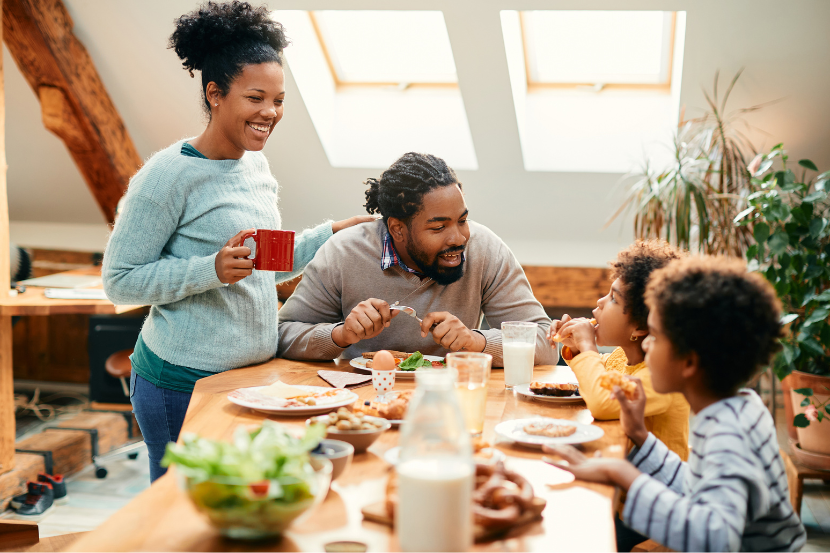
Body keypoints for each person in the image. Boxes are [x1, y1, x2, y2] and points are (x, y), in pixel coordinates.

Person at [102, 1, 372, 482]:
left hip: (250, 379)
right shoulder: (166, 176)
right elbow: (120, 282)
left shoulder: (255, 166)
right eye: (255, 97)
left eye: (279, 99)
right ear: (215, 94)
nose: (271, 112)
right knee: (180, 514)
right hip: (178, 382)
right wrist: (211, 269)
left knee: (239, 510)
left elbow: (262, 262)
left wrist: (330, 236)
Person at [545, 257, 807, 552]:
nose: (646, 344)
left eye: (655, 336)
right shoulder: (736, 409)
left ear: (689, 362)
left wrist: (624, 474)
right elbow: (695, 488)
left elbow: (713, 538)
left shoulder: (729, 433)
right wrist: (641, 436)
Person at [278, 152, 557, 367]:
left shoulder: (486, 250)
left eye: (462, 220)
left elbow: (547, 344)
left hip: (454, 398)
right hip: (364, 400)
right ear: (398, 229)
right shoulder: (342, 253)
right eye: (438, 227)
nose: (458, 238)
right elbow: (283, 335)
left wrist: (477, 341)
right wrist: (340, 335)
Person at [548, 240, 690, 461]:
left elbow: (602, 401)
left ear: (641, 327)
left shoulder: (663, 379)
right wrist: (576, 348)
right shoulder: (622, 356)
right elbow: (597, 377)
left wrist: (588, 347)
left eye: (614, 298)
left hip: (655, 487)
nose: (600, 302)